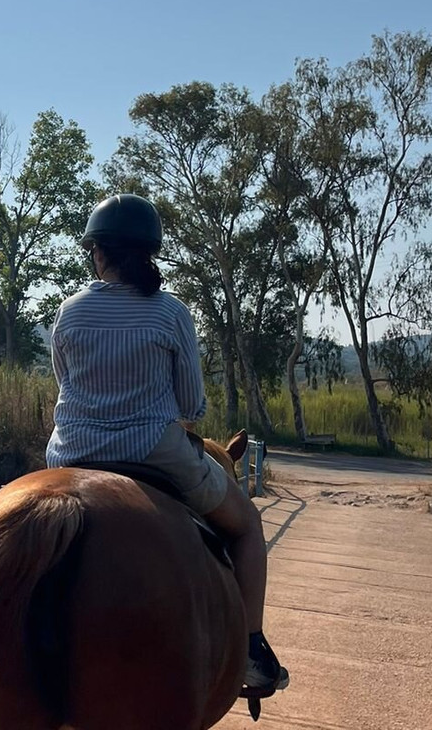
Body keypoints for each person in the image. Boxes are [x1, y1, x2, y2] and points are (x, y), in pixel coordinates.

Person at [45, 193, 289, 695]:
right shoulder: (171, 312)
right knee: (246, 526)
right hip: (154, 451)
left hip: (70, 455)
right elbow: (192, 406)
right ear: (149, 254)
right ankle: (249, 650)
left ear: (98, 253)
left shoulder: (68, 313)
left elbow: (64, 382)